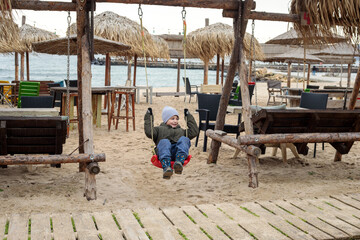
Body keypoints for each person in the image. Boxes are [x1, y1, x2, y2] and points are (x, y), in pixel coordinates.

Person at [144, 106, 199, 179]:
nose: (175, 121)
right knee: (164, 141)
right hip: (164, 153)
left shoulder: (181, 131)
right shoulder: (158, 130)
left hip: (178, 153)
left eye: (177, 119)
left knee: (184, 139)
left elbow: (194, 132)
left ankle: (179, 163)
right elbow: (149, 131)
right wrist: (149, 116)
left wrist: (188, 116)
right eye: (172, 119)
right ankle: (166, 167)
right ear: (166, 120)